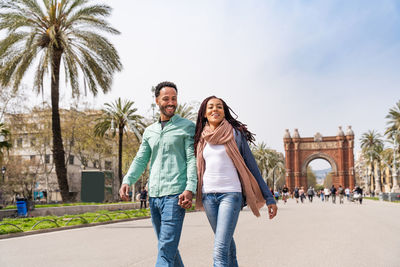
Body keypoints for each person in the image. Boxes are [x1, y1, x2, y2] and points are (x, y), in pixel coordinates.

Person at [119, 81, 197, 267]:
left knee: (165, 249)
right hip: (154, 196)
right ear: (157, 101)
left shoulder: (186, 127)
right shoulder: (149, 131)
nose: (171, 103)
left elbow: (191, 159)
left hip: (175, 195)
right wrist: (127, 180)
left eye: (174, 99)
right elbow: (140, 159)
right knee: (168, 248)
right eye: (166, 99)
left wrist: (190, 187)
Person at [193, 96, 277, 267]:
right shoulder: (201, 138)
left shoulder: (235, 134)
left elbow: (252, 167)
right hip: (208, 196)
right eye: (210, 107)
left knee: (219, 249)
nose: (215, 110)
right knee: (227, 245)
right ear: (204, 113)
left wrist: (269, 198)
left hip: (231, 194)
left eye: (219, 107)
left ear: (224, 112)